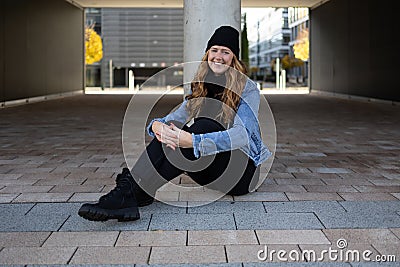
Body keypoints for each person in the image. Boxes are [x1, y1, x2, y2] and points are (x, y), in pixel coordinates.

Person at [78, 25, 271, 222]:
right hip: (210, 172)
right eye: (214, 50)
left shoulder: (247, 89)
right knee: (175, 130)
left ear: (234, 59)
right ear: (207, 54)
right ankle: (136, 192)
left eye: (226, 52)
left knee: (202, 127)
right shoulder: (201, 86)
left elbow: (242, 135)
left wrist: (194, 141)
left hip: (240, 175)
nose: (218, 56)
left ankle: (131, 193)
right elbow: (172, 119)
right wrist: (157, 127)